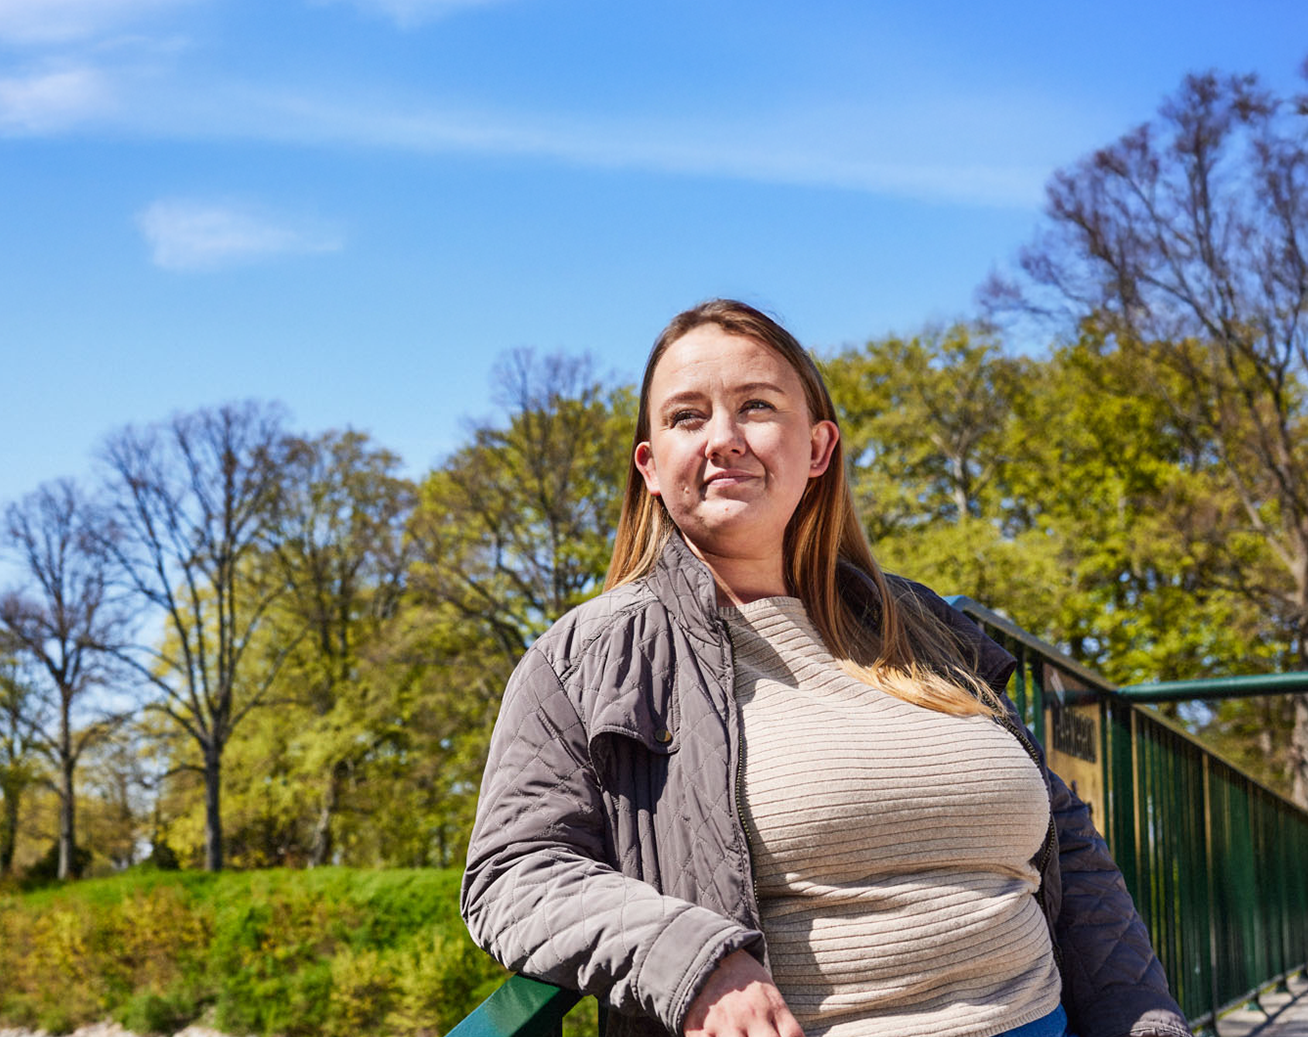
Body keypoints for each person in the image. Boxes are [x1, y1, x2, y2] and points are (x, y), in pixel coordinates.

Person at [460, 300, 1189, 1037]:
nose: (723, 439)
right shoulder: (585, 661)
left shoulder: (928, 626)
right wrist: (692, 961)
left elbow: (1066, 843)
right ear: (649, 466)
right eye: (686, 417)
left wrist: (1144, 1019)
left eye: (756, 406)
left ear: (818, 447)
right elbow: (513, 875)